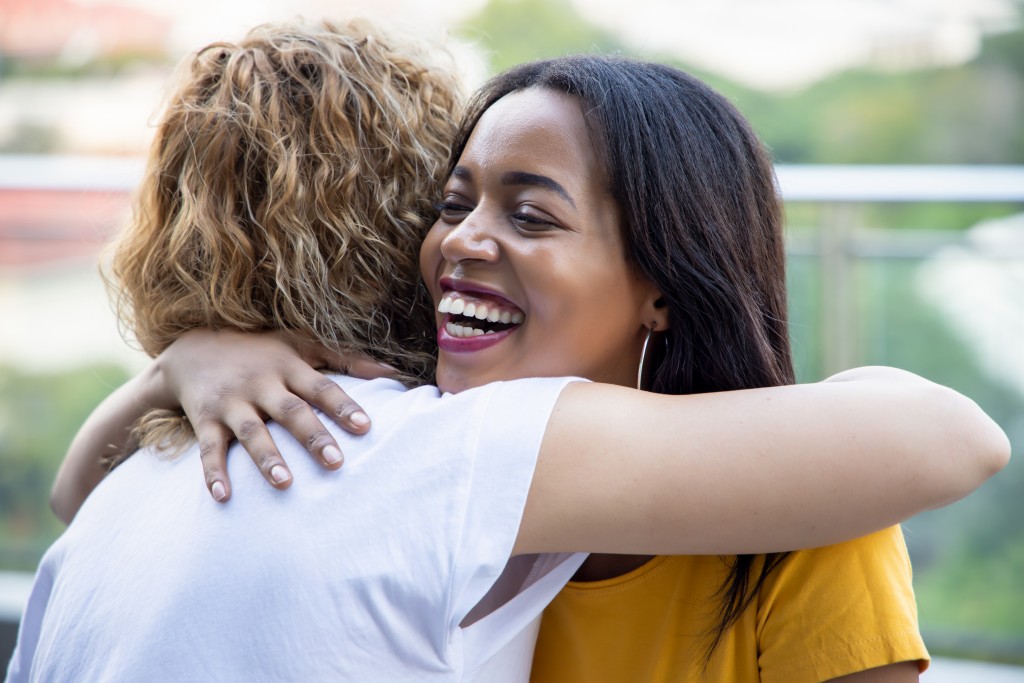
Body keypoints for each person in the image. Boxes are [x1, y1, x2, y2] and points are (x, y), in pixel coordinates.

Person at [34, 45, 1008, 683]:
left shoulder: (810, 511)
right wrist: (184, 367)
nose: (461, 240)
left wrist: (176, 363)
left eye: (531, 213)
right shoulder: (420, 446)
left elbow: (960, 433)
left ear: (665, 281)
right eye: (452, 203)